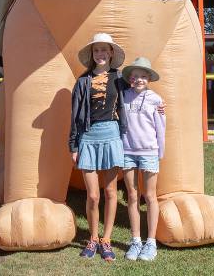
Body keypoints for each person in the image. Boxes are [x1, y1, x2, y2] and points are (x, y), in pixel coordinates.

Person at [69, 33, 166, 261]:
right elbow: (74, 116)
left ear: (111, 53)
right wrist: (73, 145)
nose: (100, 54)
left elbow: (139, 92)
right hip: (88, 138)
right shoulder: (82, 82)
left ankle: (107, 240)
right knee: (93, 195)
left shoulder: (120, 80)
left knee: (111, 191)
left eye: (105, 50)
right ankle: (93, 238)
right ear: (92, 54)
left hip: (113, 136)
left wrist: (159, 106)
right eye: (96, 50)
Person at [120, 57, 165, 262]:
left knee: (150, 196)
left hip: (149, 152)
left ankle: (151, 243)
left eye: (143, 76)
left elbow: (160, 129)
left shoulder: (156, 100)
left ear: (149, 78)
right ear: (130, 78)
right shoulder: (123, 97)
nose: (139, 79)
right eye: (135, 76)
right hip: (127, 151)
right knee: (132, 195)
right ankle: (136, 240)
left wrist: (159, 153)